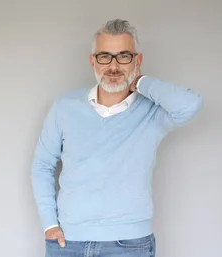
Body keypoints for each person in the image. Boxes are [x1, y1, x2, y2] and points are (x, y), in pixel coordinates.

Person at [30, 18, 203, 257]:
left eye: (124, 56)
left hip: (129, 245)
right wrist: (50, 224)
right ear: (93, 61)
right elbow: (42, 165)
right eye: (105, 56)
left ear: (137, 60)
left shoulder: (152, 112)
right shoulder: (64, 107)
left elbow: (190, 105)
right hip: (68, 243)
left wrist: (141, 82)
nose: (113, 66)